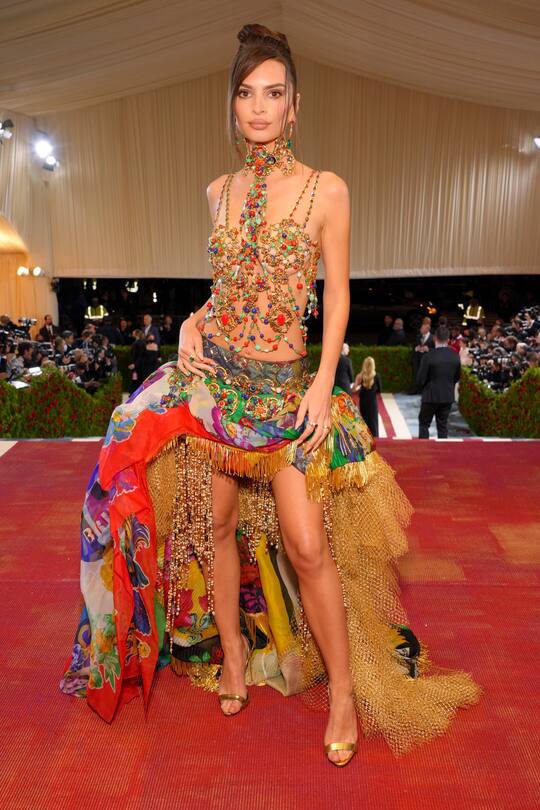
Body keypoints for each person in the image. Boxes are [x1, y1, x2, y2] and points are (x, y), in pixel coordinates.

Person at [60, 24, 481, 767]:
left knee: (307, 544)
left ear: (295, 106)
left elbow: (339, 297)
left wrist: (323, 383)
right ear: (233, 106)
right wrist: (194, 316)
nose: (259, 108)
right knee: (215, 526)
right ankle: (229, 656)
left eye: (274, 94)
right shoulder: (217, 192)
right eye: (246, 94)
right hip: (218, 385)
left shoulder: (327, 189)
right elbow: (228, 289)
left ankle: (345, 689)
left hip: (288, 396)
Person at [416, 326, 461, 439]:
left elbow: (420, 379)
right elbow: (457, 377)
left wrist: (426, 387)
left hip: (430, 396)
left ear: (434, 338)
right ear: (448, 339)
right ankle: (443, 454)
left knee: (424, 424)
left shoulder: (428, 356)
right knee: (442, 426)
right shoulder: (455, 356)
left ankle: (423, 451)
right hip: (447, 396)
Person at [353, 357, 381, 437]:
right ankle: (375, 437)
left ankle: (363, 438)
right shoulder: (376, 376)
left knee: (363, 420)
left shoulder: (360, 376)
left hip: (363, 401)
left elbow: (354, 389)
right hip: (372, 402)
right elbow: (379, 390)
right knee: (373, 421)